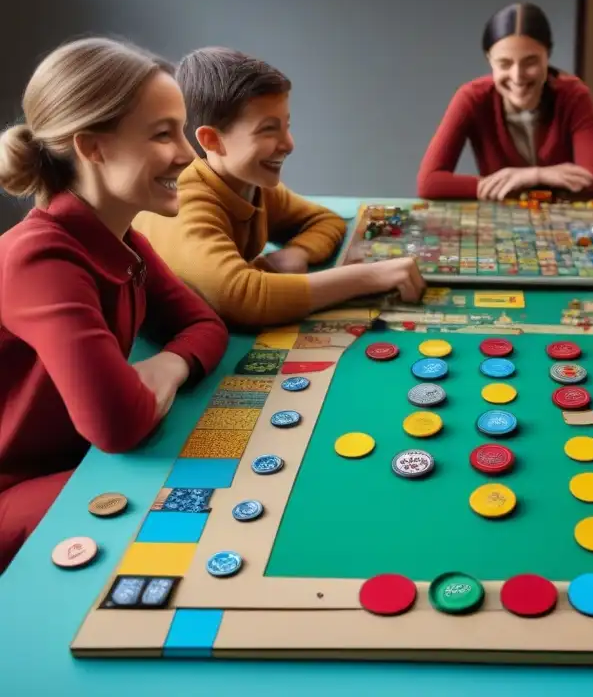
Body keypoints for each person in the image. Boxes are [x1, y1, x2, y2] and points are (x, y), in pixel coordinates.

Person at [0, 37, 230, 575]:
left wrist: (167, 366)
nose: (189, 154)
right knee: (200, 513)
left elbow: (204, 324)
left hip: (81, 467)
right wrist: (142, 392)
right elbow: (119, 425)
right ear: (93, 148)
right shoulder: (40, 257)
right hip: (18, 491)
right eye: (161, 134)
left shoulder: (120, 238)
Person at [133, 47, 426, 328]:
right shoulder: (183, 198)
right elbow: (243, 298)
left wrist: (298, 252)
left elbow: (325, 220)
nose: (289, 144)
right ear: (211, 140)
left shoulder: (250, 183)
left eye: (286, 125)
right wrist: (367, 278)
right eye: (268, 129)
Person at [417, 2, 593, 201]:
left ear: (548, 56)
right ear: (490, 60)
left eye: (530, 62)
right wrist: (543, 180)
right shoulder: (472, 97)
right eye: (504, 63)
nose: (517, 76)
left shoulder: (573, 95)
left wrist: (531, 175)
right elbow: (429, 183)